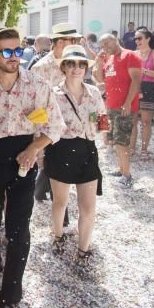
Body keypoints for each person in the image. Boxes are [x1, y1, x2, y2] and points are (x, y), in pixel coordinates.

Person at [0, 24, 63, 308]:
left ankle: (11, 296)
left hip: (25, 159)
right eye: (7, 51)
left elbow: (55, 126)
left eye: (19, 50)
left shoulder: (38, 86)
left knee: (19, 229)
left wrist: (35, 146)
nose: (15, 57)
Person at [44, 45, 105, 266]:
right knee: (60, 203)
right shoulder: (52, 94)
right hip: (60, 150)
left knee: (88, 208)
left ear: (86, 68)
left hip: (88, 151)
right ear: (64, 67)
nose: (77, 68)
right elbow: (43, 123)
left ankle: (83, 251)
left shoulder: (94, 92)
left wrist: (101, 127)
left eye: (81, 64)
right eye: (71, 63)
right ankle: (57, 237)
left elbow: (102, 120)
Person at [31, 22, 82, 220]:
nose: (77, 43)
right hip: (50, 132)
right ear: (60, 42)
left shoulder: (74, 62)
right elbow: (35, 106)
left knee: (54, 171)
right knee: (59, 173)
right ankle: (63, 224)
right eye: (74, 40)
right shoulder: (40, 69)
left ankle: (39, 190)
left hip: (72, 130)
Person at [93, 34, 141, 188]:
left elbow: (136, 80)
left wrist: (128, 103)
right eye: (102, 45)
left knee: (122, 142)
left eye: (107, 43)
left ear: (115, 40)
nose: (104, 47)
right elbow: (100, 79)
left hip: (124, 107)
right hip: (111, 106)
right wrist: (99, 62)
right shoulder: (110, 59)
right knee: (114, 141)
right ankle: (121, 169)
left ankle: (127, 176)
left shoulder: (130, 55)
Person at [131, 29, 154, 157]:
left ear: (148, 39)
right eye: (135, 39)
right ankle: (131, 148)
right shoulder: (133, 53)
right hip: (134, 87)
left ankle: (144, 149)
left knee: (146, 122)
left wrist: (143, 71)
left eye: (140, 38)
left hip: (150, 88)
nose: (137, 41)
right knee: (133, 120)